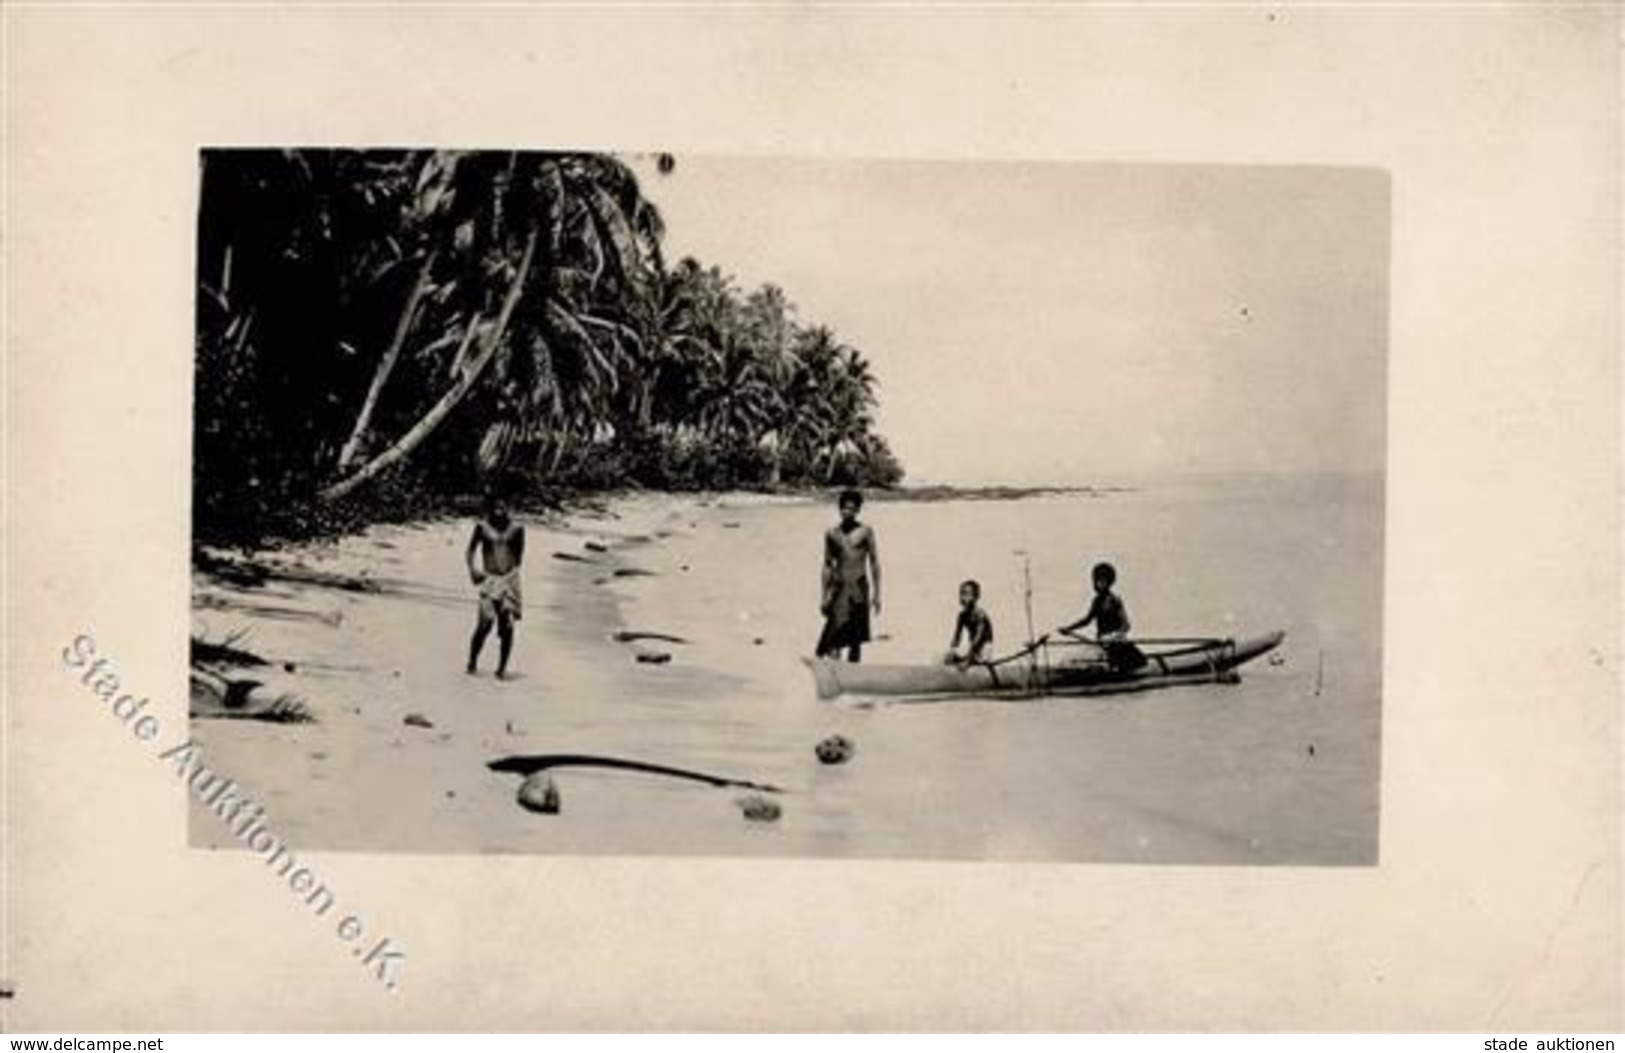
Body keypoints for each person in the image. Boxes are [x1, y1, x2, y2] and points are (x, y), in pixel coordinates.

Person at [816, 489, 881, 662]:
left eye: (852, 509)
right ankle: (834, 669)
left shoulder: (866, 531)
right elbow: (827, 565)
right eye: (844, 508)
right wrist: (823, 596)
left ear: (858, 510)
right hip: (839, 588)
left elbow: (874, 563)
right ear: (839, 509)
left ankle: (853, 674)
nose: (847, 512)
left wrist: (877, 595)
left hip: (859, 588)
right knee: (834, 632)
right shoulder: (832, 534)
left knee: (855, 638)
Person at [466, 494, 526, 679]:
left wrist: (511, 583)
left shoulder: (517, 529)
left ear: (508, 508)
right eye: (496, 508)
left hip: (509, 580)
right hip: (489, 580)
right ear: (490, 509)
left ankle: (501, 668)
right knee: (485, 624)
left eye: (503, 507)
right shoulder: (482, 527)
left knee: (507, 627)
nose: (499, 511)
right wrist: (472, 569)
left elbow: (519, 557)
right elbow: (470, 550)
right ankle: (472, 661)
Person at [1058, 561, 1145, 671]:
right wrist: (1068, 628)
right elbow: (1087, 620)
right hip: (1102, 641)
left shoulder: (1115, 600)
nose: (1100, 584)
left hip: (1116, 641)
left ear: (1109, 582)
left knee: (1133, 661)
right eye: (1098, 581)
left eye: (1103, 581)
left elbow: (1126, 625)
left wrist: (1116, 635)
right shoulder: (1097, 601)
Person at [943, 579, 995, 667]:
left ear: (975, 597)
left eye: (966, 594)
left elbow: (978, 638)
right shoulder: (962, 616)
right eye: (961, 594)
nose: (963, 598)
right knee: (948, 658)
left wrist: (969, 657)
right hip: (972, 647)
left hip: (984, 647)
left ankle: (971, 662)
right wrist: (951, 650)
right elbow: (957, 636)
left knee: (967, 661)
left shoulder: (980, 614)